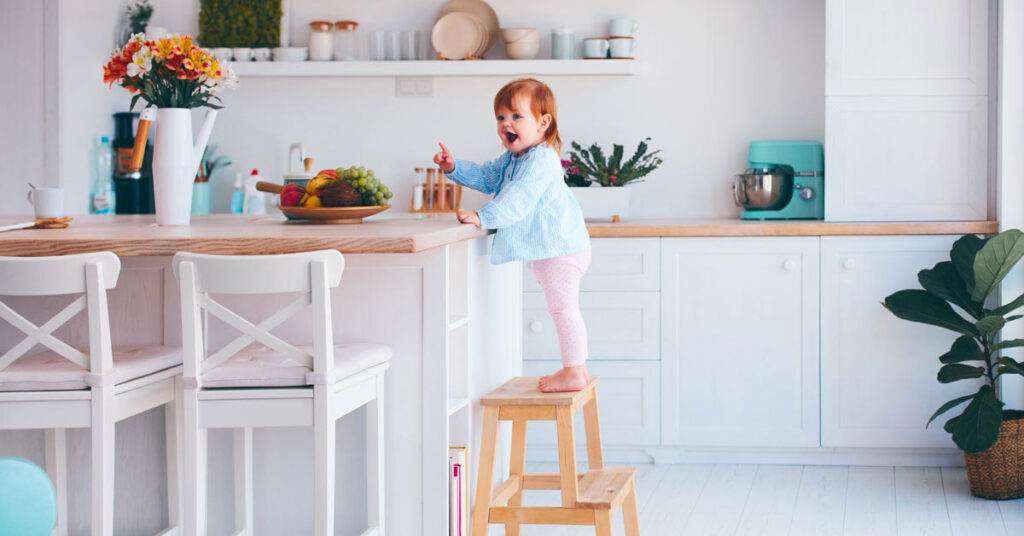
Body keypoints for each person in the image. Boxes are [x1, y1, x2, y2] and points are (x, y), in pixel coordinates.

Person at [433, 78, 592, 392]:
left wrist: (483, 217)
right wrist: (454, 168)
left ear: (543, 123)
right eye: (501, 118)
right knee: (561, 308)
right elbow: (488, 176)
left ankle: (575, 371)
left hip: (561, 248)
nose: (506, 124)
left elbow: (517, 199)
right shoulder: (514, 158)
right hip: (552, 249)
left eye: (516, 116)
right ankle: (575, 370)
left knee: (563, 309)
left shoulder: (541, 160)